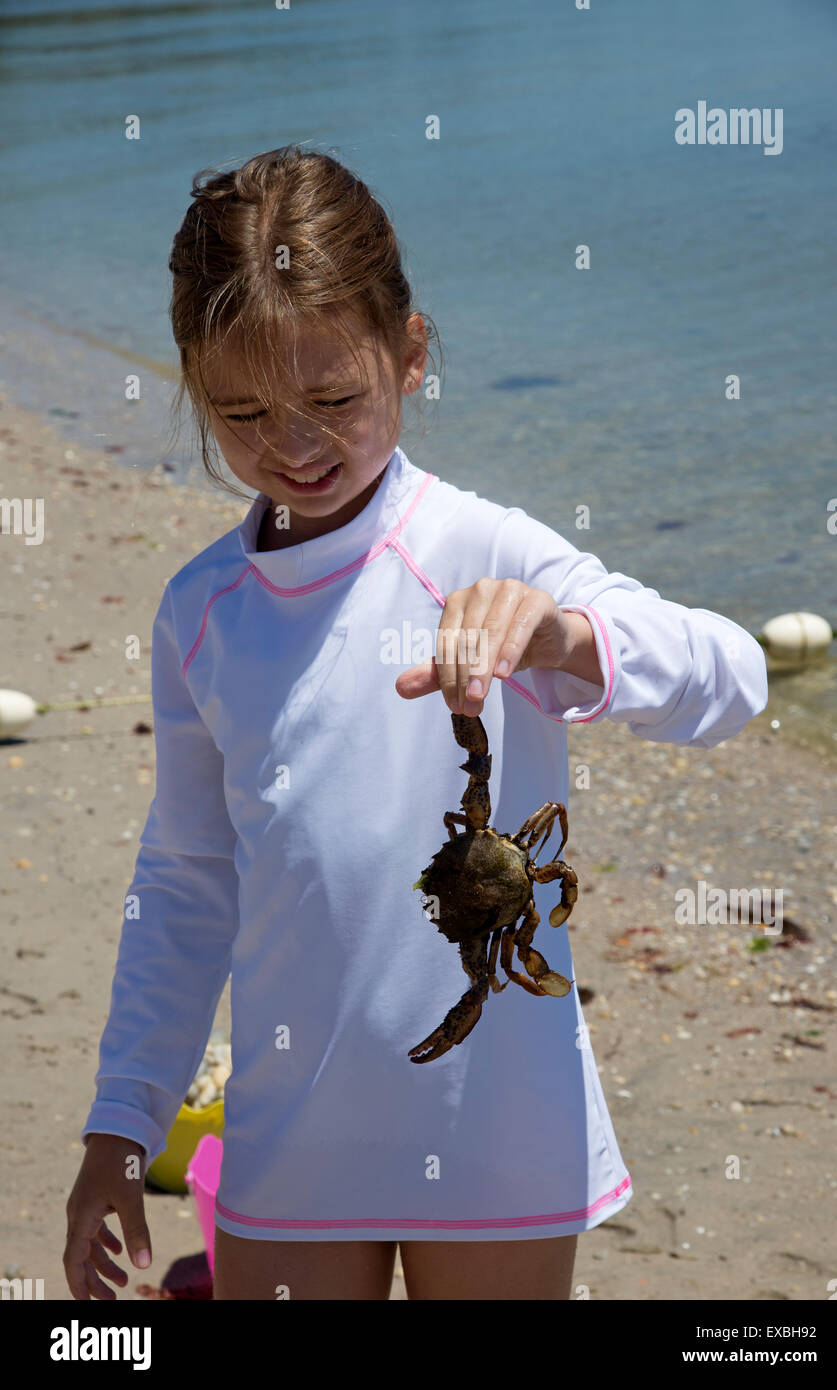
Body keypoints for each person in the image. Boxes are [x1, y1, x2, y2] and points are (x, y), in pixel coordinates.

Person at [63, 145, 768, 1302]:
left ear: (412, 352)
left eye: (335, 399)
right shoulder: (202, 613)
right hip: (294, 1137)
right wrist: (121, 1122)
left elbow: (733, 677)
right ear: (191, 385)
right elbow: (187, 882)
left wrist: (567, 638)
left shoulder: (489, 556)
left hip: (501, 1136)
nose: (293, 446)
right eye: (242, 413)